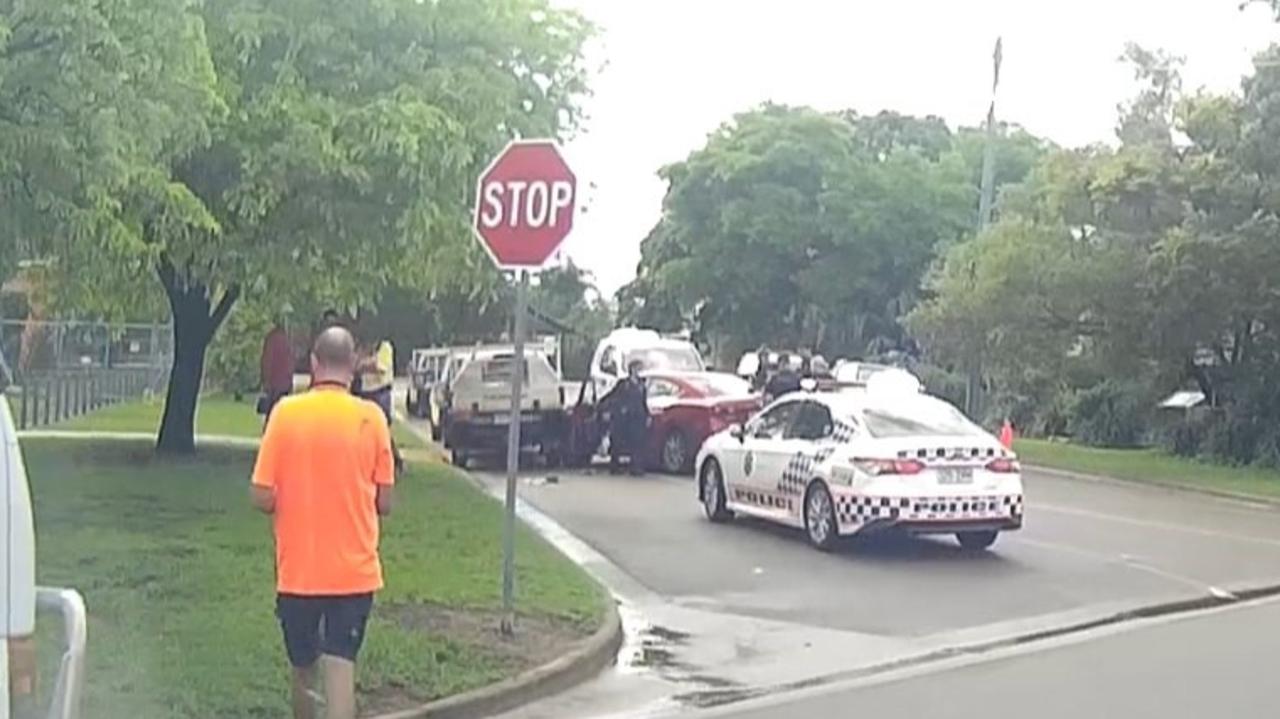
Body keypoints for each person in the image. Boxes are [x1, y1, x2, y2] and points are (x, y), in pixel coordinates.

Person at [251, 327, 395, 719]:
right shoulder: (372, 419)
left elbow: (261, 494)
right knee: (340, 666)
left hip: (298, 571)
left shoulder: (285, 414)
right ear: (352, 366)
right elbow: (385, 501)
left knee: (303, 670)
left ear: (313, 364)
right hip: (354, 572)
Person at [357, 334, 404, 473]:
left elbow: (380, 367)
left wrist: (365, 364)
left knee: (382, 430)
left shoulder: (385, 347)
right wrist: (366, 364)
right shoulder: (363, 347)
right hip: (366, 393)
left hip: (380, 393)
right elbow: (357, 366)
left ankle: (394, 462)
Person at [600, 359, 649, 475]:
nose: (639, 371)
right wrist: (610, 409)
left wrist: (647, 415)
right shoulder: (624, 384)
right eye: (637, 368)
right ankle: (614, 466)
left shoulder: (642, 385)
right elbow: (614, 397)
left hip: (638, 417)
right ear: (632, 369)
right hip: (625, 417)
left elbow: (643, 402)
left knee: (637, 443)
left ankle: (636, 467)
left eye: (640, 369)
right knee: (618, 441)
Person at [259, 319, 294, 420]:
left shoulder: (271, 340)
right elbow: (290, 362)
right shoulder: (286, 341)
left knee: (273, 410)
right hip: (284, 383)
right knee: (282, 409)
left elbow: (267, 361)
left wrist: (265, 380)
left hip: (274, 383)